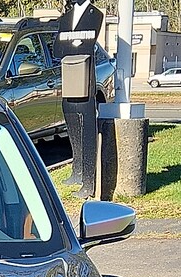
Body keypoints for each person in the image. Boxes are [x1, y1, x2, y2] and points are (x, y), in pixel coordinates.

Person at [55, 0, 105, 198]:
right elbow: (58, 49)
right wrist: (73, 42)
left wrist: (72, 42)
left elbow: (87, 44)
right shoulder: (66, 18)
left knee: (86, 130)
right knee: (72, 124)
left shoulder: (95, 15)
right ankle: (77, 171)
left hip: (85, 83)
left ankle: (88, 182)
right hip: (69, 81)